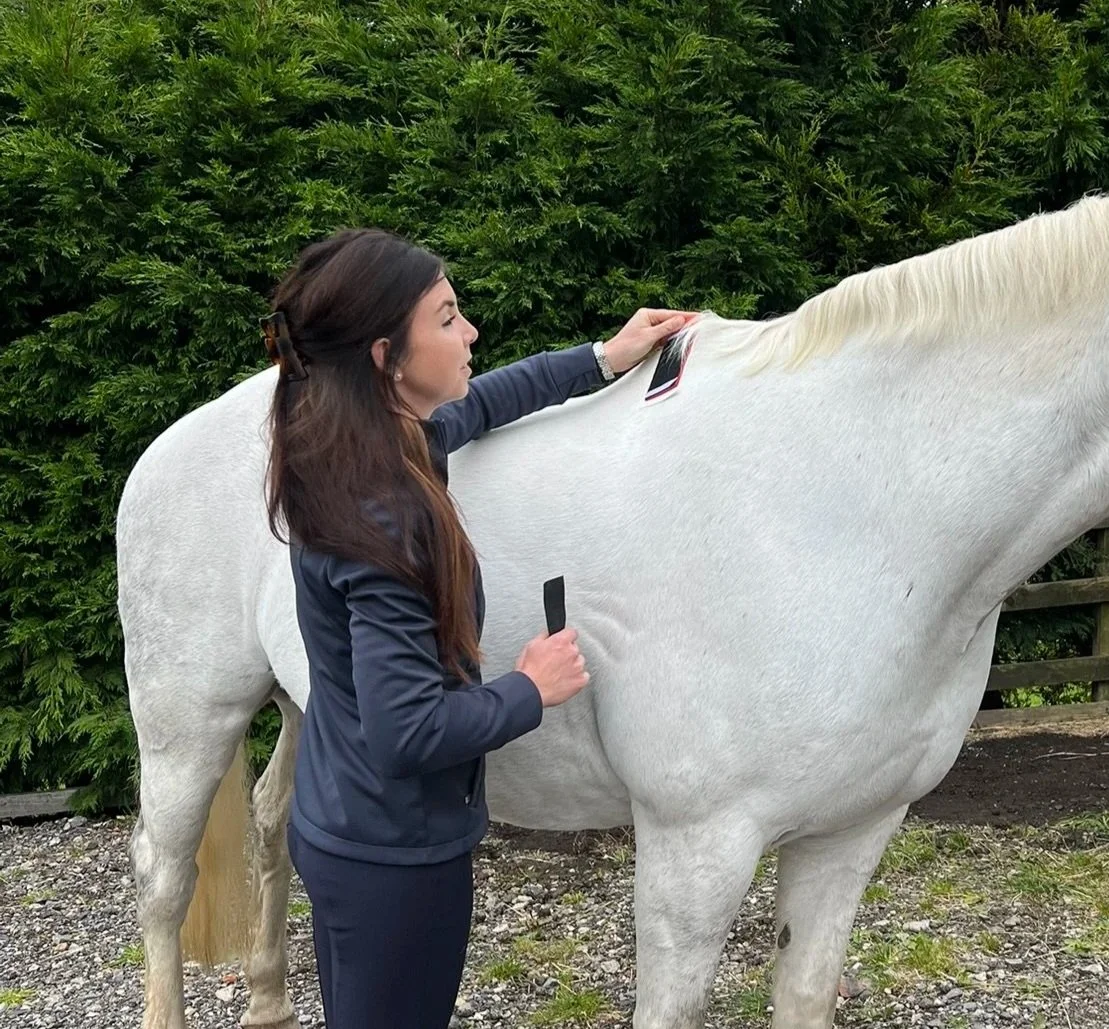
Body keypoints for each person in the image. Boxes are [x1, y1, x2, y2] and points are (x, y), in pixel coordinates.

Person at [263, 227, 695, 1029]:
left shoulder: (356, 446)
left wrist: (603, 356)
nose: (471, 333)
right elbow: (408, 733)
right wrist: (529, 689)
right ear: (387, 355)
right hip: (394, 859)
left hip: (340, 823)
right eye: (448, 317)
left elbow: (489, 398)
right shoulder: (388, 515)